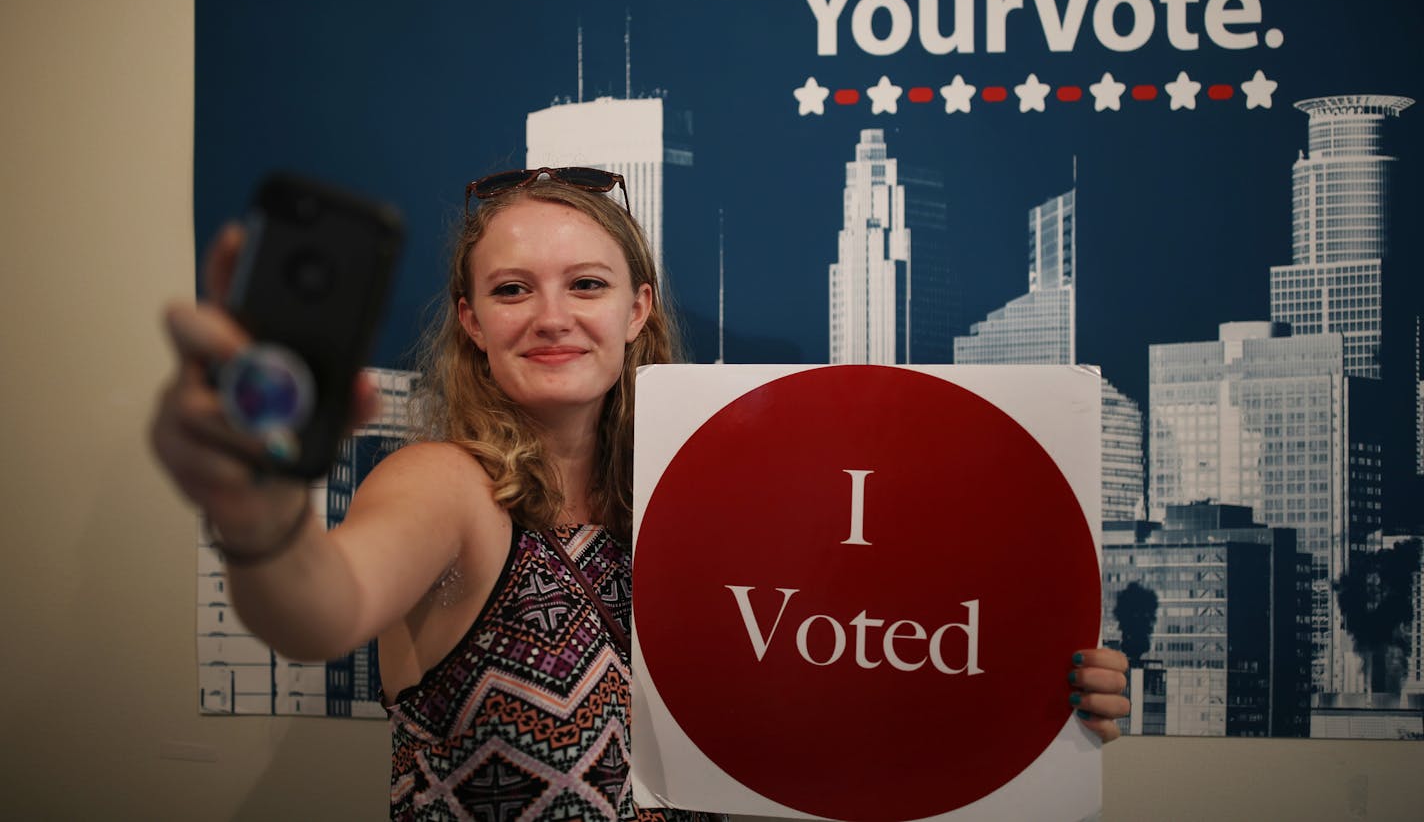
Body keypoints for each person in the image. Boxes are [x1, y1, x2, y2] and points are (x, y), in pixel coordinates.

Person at [151, 169, 1130, 821]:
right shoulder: (448, 487)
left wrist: (1038, 694)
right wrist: (261, 518)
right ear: (469, 321)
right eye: (509, 290)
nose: (549, 317)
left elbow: (875, 669)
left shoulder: (710, 513)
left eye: (584, 283)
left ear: (636, 309)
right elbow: (318, 605)